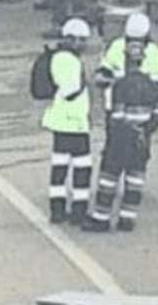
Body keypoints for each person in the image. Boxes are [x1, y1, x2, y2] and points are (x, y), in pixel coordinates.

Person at [83, 42, 158, 233]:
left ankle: (101, 219)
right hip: (142, 142)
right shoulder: (151, 86)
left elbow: (117, 117)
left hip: (121, 141)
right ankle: (127, 219)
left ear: (127, 60)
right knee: (135, 179)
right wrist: (144, 131)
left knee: (108, 179)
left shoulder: (121, 85)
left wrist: (116, 137)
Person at [41, 18, 95, 225]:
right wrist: (83, 83)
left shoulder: (58, 57)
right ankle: (79, 210)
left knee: (60, 165)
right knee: (82, 167)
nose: (84, 44)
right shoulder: (68, 60)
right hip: (73, 123)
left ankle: (58, 209)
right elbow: (71, 91)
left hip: (61, 121)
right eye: (81, 40)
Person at [95, 12, 158, 118]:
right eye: (130, 40)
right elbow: (101, 76)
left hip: (143, 109)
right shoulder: (117, 46)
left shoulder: (153, 51)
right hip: (116, 107)